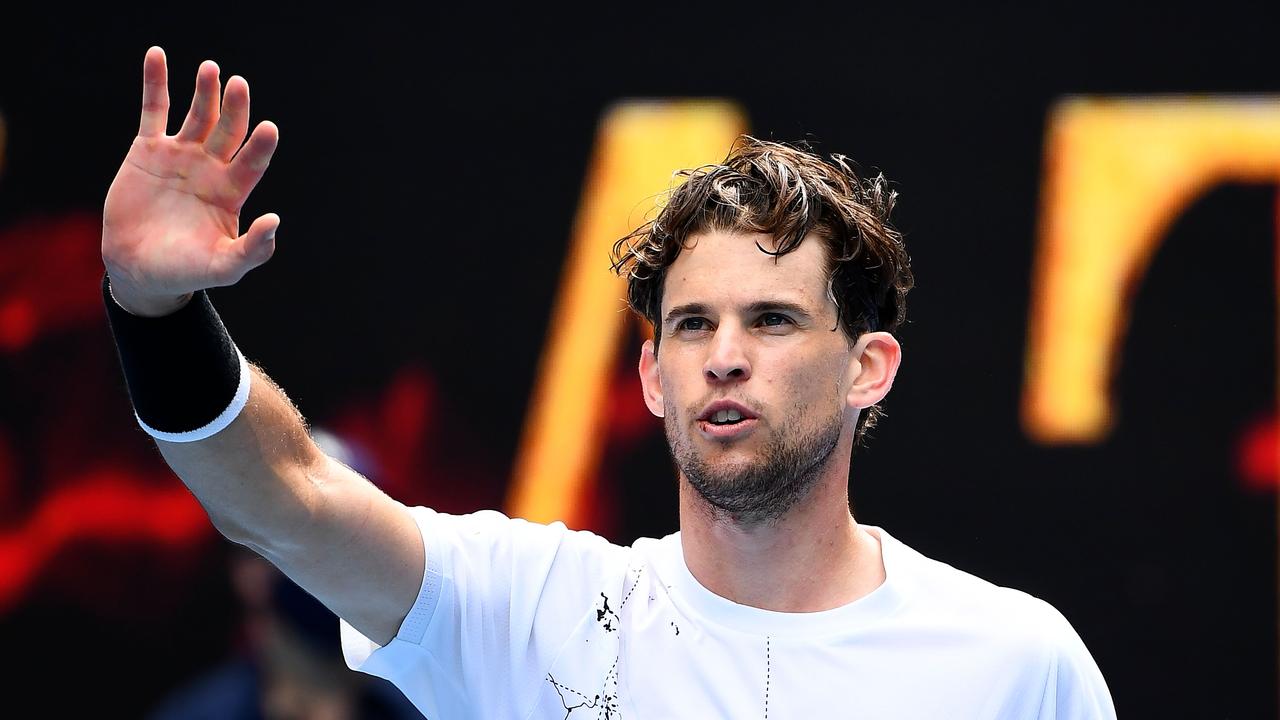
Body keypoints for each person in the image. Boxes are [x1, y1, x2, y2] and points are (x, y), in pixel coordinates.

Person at [102, 47, 1116, 719]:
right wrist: (154, 312)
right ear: (650, 377)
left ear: (867, 367)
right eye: (690, 325)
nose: (724, 353)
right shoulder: (527, 610)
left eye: (770, 319)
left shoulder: (1014, 661)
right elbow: (285, 496)